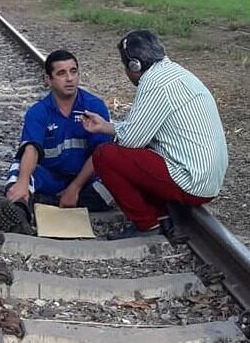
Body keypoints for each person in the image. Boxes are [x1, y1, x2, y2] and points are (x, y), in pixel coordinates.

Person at [81, 30, 228, 240]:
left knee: (105, 155)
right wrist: (106, 126)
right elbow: (140, 131)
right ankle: (159, 212)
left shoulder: (153, 83)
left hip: (191, 183)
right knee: (139, 150)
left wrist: (112, 131)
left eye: (125, 66)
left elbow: (132, 140)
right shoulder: (175, 72)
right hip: (208, 179)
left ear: (135, 65)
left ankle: (147, 224)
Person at [0, 50, 114, 234]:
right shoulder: (38, 111)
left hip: (86, 180)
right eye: (61, 73)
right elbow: (31, 150)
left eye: (73, 71)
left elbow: (100, 153)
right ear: (48, 79)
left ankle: (50, 201)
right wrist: (22, 182)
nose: (69, 79)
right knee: (19, 170)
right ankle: (19, 214)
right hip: (52, 178)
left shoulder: (94, 106)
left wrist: (74, 188)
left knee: (114, 173)